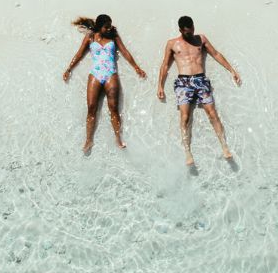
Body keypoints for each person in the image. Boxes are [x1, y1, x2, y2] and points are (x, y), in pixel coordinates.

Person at [156, 15, 242, 169]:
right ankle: (187, 152)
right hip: (183, 82)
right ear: (180, 30)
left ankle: (224, 146)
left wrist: (231, 70)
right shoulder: (172, 44)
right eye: (187, 32)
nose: (191, 34)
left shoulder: (201, 39)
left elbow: (216, 54)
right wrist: (160, 85)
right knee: (185, 117)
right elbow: (165, 65)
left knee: (212, 113)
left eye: (192, 30)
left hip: (201, 80)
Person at [61, 14, 147, 154]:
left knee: (114, 108)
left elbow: (125, 52)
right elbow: (79, 54)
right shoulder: (90, 37)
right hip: (95, 74)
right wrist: (69, 69)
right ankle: (88, 139)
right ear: (99, 26)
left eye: (110, 26)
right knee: (91, 108)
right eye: (106, 27)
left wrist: (136, 67)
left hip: (110, 74)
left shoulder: (113, 36)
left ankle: (118, 138)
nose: (109, 28)